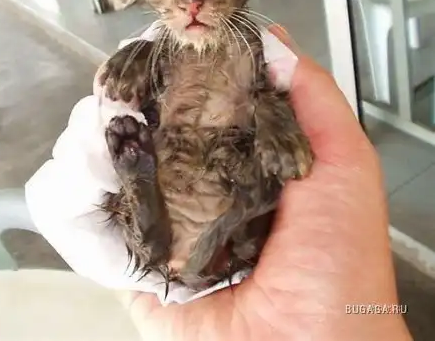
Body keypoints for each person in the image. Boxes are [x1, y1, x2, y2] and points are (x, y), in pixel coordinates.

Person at [26, 24, 411, 340]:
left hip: (211, 228)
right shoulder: (168, 45)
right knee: (229, 194)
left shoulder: (251, 46)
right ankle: (155, 200)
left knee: (224, 203)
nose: (192, 2)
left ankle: (151, 198)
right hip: (200, 208)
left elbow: (268, 98)